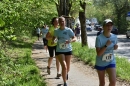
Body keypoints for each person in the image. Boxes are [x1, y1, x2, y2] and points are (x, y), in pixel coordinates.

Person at [53, 17, 76, 86]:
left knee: (68, 68)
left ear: (65, 22)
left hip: (68, 49)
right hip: (59, 50)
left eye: (63, 21)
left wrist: (70, 41)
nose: (61, 23)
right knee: (64, 66)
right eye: (60, 21)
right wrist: (54, 40)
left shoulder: (69, 30)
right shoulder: (56, 31)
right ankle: (65, 82)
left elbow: (74, 38)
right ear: (58, 23)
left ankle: (65, 73)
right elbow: (54, 38)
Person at [95, 19, 118, 86]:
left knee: (113, 82)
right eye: (107, 25)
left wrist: (115, 47)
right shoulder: (99, 38)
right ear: (103, 27)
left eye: (111, 25)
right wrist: (106, 45)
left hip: (111, 61)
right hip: (101, 62)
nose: (109, 27)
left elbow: (114, 47)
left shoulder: (114, 37)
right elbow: (98, 53)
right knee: (102, 83)